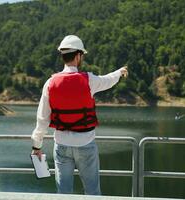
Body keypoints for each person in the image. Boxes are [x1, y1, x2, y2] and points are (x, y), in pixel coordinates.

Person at [31, 35, 128, 195]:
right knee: (92, 192)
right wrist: (119, 72)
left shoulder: (50, 83)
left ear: (63, 56)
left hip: (61, 145)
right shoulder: (89, 80)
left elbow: (42, 119)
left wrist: (36, 146)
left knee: (64, 193)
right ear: (78, 56)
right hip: (86, 144)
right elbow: (107, 80)